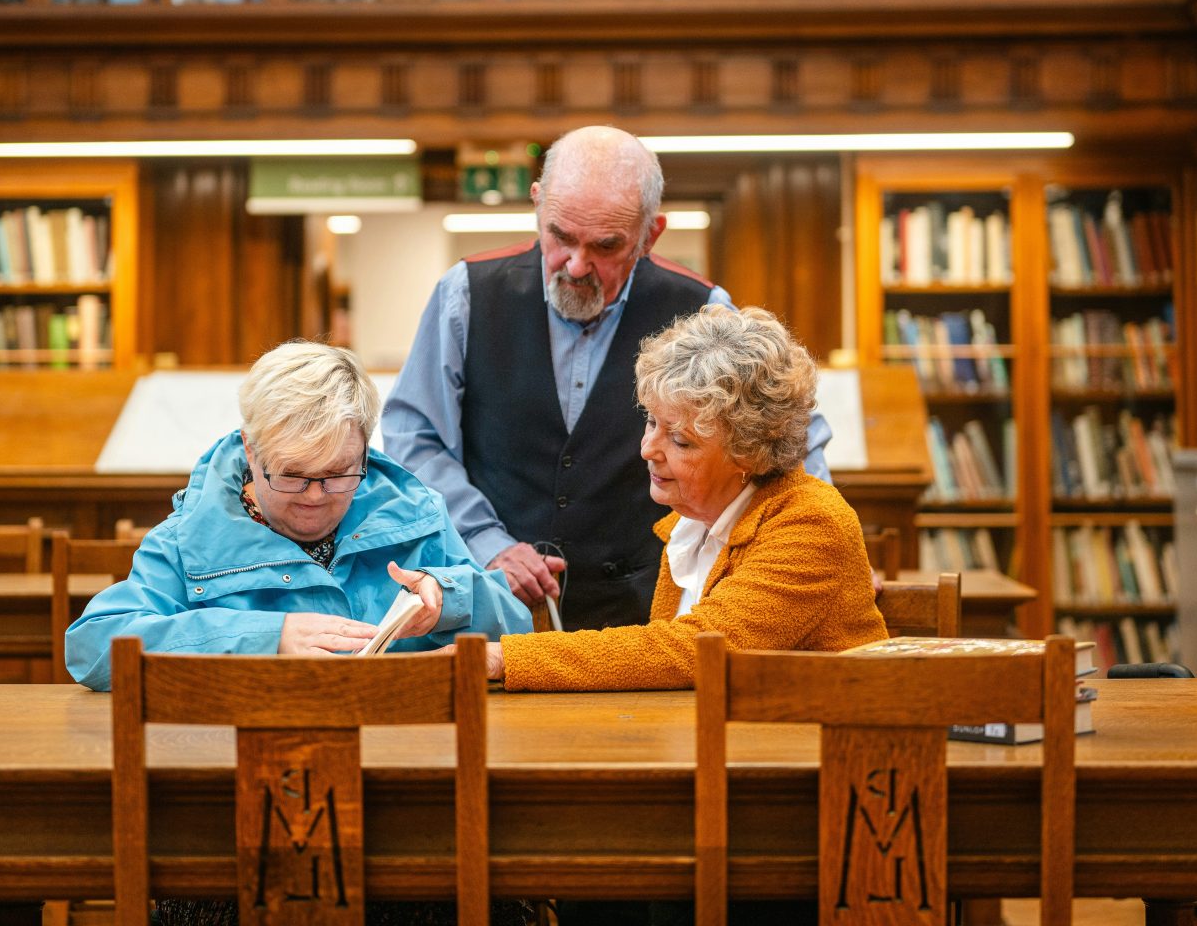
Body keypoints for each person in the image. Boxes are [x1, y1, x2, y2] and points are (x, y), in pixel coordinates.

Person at [381, 125, 832, 631]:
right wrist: (488, 541)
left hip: (647, 611)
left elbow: (788, 438)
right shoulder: (465, 296)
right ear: (537, 203)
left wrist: (814, 544)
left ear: (650, 234)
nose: (576, 265)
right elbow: (414, 438)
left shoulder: (701, 309)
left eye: (605, 246)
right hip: (494, 602)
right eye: (560, 236)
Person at [66, 339, 531, 691]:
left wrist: (449, 597)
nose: (314, 496)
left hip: (407, 762)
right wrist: (267, 638)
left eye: (337, 474)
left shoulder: (416, 514)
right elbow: (93, 646)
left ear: (364, 450)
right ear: (250, 451)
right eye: (291, 475)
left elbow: (517, 627)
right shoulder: (190, 538)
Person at [479, 305, 886, 690]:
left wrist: (504, 658)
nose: (647, 450)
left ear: (749, 452)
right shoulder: (689, 521)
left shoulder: (812, 521)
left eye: (679, 440)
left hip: (823, 751)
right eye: (651, 421)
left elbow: (692, 649)